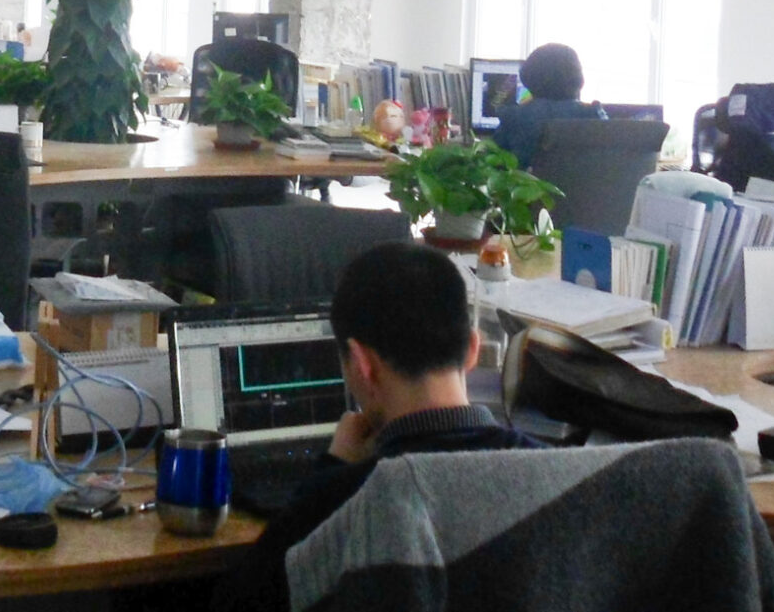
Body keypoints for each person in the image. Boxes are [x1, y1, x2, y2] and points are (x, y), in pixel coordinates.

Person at [210, 243, 540, 612]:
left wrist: (333, 469)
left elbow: (241, 601)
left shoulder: (343, 502)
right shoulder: (555, 472)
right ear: (473, 349)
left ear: (362, 364)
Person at [489, 41, 606, 169]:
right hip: (585, 182)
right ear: (577, 78)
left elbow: (491, 161)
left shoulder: (514, 117)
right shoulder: (593, 114)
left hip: (528, 181)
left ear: (529, 77)